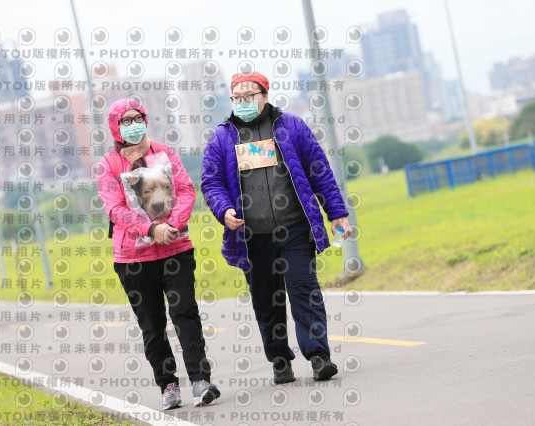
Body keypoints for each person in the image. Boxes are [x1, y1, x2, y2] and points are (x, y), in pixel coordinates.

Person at [201, 71, 352, 384]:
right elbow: (211, 181)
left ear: (265, 96)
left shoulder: (291, 126)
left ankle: (319, 356)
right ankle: (280, 361)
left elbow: (319, 170)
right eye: (237, 97)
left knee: (304, 290)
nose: (243, 102)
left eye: (249, 96)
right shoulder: (222, 137)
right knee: (266, 301)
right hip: (252, 237)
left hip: (294, 228)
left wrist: (336, 213)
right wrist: (224, 209)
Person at [97, 99, 220, 409]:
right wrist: (151, 229)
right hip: (133, 259)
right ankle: (168, 386)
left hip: (175, 248)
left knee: (185, 314)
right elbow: (115, 208)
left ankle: (200, 381)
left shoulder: (165, 153)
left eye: (137, 117)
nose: (133, 124)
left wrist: (171, 226)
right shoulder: (109, 165)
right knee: (152, 326)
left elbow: (186, 190)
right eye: (126, 120)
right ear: (116, 126)